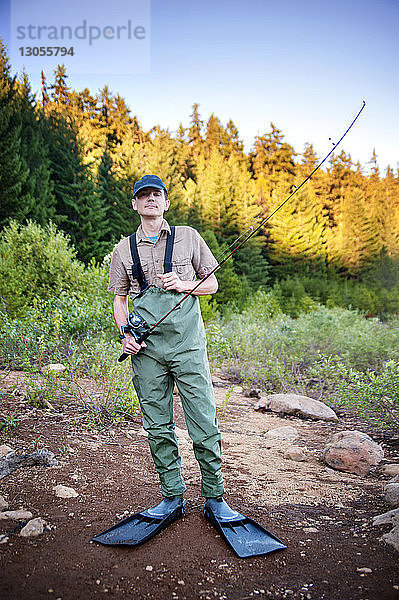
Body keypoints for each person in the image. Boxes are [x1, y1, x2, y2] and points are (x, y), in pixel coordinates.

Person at [94, 174, 286, 556]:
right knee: (157, 424)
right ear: (135, 204)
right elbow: (119, 299)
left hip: (188, 347)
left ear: (166, 202)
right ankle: (171, 497)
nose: (150, 200)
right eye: (143, 195)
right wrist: (124, 334)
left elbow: (212, 285)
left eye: (157, 195)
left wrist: (184, 284)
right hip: (145, 350)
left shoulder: (189, 237)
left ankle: (215, 498)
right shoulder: (122, 250)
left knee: (203, 420)